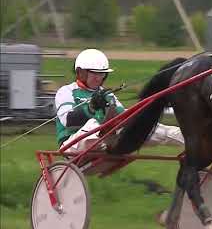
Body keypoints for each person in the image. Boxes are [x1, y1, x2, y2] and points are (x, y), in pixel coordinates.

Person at [55, 49, 184, 152]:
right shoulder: (66, 91)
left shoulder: (107, 95)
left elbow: (123, 117)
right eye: (94, 73)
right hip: (71, 144)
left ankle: (193, 140)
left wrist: (142, 116)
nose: (99, 78)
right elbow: (67, 120)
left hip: (106, 139)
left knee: (154, 127)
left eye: (102, 74)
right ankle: (111, 140)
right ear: (81, 73)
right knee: (95, 125)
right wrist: (91, 108)